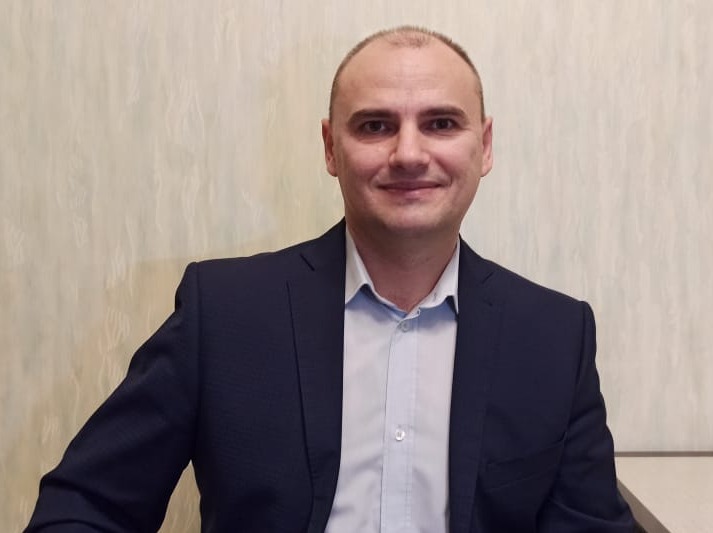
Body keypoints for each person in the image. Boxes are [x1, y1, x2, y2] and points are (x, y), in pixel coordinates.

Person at [26, 26, 633, 532]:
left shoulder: (555, 335)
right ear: (330, 148)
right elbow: (84, 507)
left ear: (486, 145)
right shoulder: (226, 314)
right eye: (375, 126)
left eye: (442, 123)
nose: (409, 153)